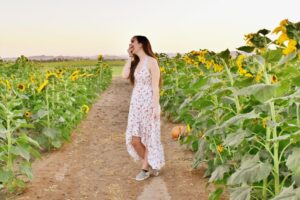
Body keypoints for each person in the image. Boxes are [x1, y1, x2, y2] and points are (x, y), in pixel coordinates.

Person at [121, 35, 165, 181]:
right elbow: (124, 75)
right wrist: (129, 57)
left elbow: (155, 86)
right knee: (135, 140)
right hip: (136, 104)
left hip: (148, 103)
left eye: (133, 41)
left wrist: (156, 107)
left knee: (148, 137)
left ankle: (145, 169)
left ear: (141, 44)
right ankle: (153, 163)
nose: (130, 44)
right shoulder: (136, 62)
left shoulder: (152, 62)